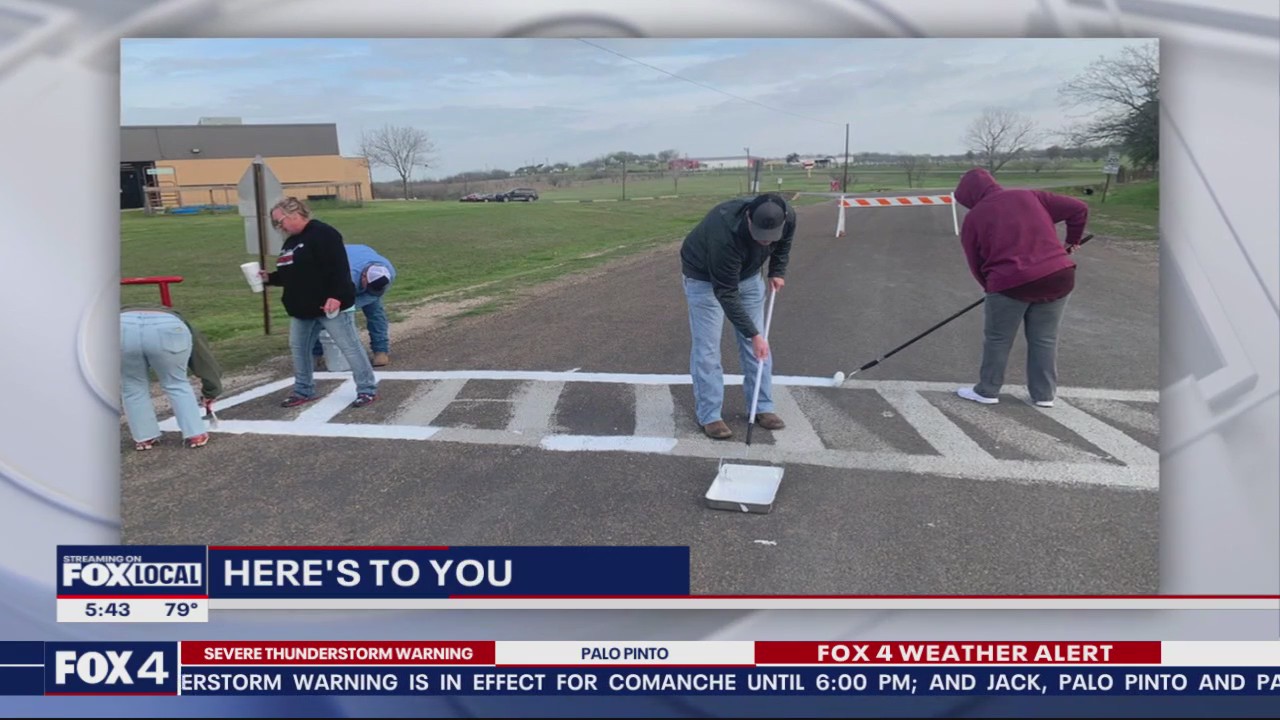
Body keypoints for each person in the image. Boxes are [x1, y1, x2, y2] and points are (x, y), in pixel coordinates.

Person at [952, 167, 1089, 408]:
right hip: (1059, 274)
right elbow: (1079, 208)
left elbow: (976, 263)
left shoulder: (974, 218)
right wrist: (1072, 241)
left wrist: (992, 289)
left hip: (1009, 282)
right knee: (1044, 338)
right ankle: (1044, 395)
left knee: (998, 339)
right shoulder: (1028, 196)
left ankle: (987, 390)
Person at [680, 192, 795, 440]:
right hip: (705, 279)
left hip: (749, 277)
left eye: (770, 237)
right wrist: (753, 334)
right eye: (760, 236)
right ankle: (710, 415)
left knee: (759, 348)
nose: (765, 242)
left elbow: (784, 243)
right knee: (708, 348)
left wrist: (777, 270)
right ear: (748, 218)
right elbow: (726, 293)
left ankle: (762, 407)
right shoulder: (723, 232)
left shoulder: (787, 216)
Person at [260, 197, 379, 408]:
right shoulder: (291, 242)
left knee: (350, 347)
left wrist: (337, 296)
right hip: (301, 309)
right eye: (275, 223)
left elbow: (339, 268)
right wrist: (269, 278)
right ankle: (303, 390)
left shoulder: (324, 234)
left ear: (295, 214)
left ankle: (367, 389)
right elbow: (292, 274)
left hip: (330, 306)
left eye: (280, 221)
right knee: (299, 349)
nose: (279, 227)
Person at [120, 305, 223, 450]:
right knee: (177, 383)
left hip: (121, 326)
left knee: (132, 385)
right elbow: (202, 358)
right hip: (168, 326)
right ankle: (195, 433)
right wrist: (211, 389)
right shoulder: (176, 317)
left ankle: (144, 438)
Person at [312, 244, 396, 369]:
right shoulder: (346, 274)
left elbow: (373, 295)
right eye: (368, 286)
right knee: (321, 314)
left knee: (375, 313)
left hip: (359, 257)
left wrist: (349, 307)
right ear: (364, 276)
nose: (369, 290)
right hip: (329, 278)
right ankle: (315, 353)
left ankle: (380, 350)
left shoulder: (388, 273)